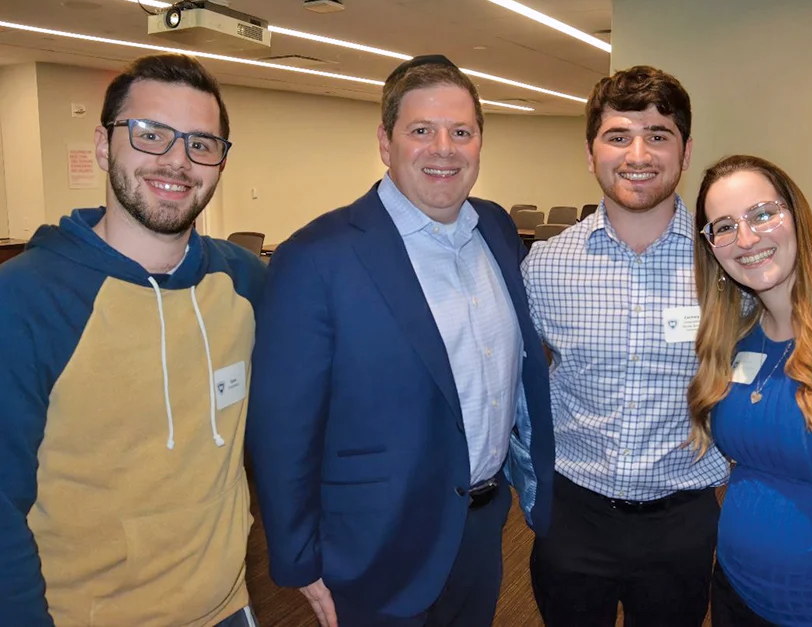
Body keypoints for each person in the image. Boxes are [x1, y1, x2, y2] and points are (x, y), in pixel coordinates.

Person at [247, 54, 554, 627]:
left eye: (461, 132)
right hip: (372, 545)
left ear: (480, 143)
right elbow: (283, 424)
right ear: (386, 142)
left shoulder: (496, 228)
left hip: (483, 527)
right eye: (421, 131)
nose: (444, 148)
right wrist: (295, 555)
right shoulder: (315, 257)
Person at [0, 54, 265, 627]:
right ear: (103, 145)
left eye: (201, 143)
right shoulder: (24, 301)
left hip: (229, 607)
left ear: (219, 163)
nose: (176, 159)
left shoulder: (245, 283)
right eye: (150, 134)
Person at [521, 65, 729, 626]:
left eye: (658, 135)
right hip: (572, 515)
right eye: (618, 136)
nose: (638, 153)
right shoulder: (545, 266)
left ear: (685, 154)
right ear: (591, 154)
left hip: (682, 521)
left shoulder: (727, 265)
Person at [689, 154, 812, 625]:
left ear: (796, 216)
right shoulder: (736, 338)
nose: (746, 238)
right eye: (723, 226)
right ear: (712, 248)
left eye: (762, 214)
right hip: (737, 594)